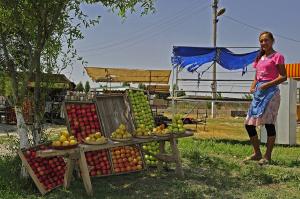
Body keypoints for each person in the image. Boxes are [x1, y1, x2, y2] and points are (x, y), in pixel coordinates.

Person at [244, 31, 287, 165]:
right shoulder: (259, 59)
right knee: (248, 125)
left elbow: (283, 76)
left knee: (269, 124)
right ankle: (257, 153)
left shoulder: (278, 57)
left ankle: (267, 156)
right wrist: (253, 87)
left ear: (272, 41)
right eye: (261, 41)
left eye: (266, 40)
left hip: (271, 93)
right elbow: (257, 77)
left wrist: (267, 84)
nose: (263, 43)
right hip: (258, 93)